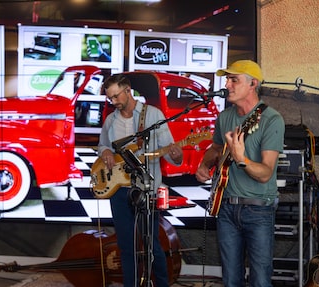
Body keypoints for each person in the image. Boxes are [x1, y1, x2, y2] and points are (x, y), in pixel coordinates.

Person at [195, 60, 285, 287]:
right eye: (227, 79)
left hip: (258, 210)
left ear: (253, 84)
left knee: (260, 279)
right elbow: (215, 149)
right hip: (226, 208)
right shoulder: (224, 117)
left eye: (233, 79)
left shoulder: (271, 119)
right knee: (231, 279)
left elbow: (265, 173)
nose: (227, 84)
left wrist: (241, 159)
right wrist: (205, 164)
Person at [97, 74, 183, 287]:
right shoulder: (111, 120)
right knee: (126, 246)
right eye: (110, 98)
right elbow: (102, 145)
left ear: (128, 90)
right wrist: (106, 151)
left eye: (116, 96)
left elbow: (171, 153)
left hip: (146, 189)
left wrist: (177, 154)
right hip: (118, 190)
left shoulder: (153, 115)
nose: (114, 102)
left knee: (152, 244)